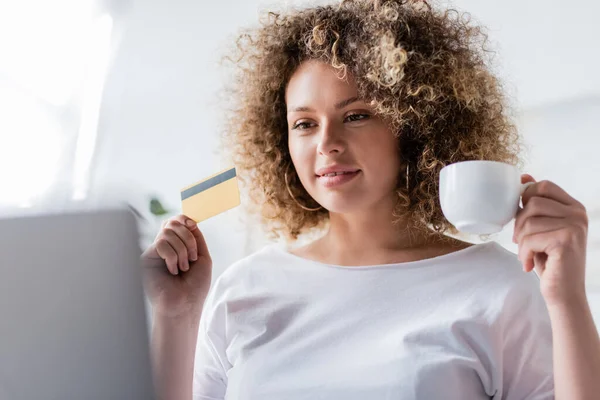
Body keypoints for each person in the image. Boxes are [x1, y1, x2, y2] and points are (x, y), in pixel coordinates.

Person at [141, 0, 600, 399]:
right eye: (304, 123)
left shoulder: (502, 287)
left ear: (416, 125)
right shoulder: (242, 289)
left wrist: (567, 301)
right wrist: (175, 315)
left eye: (356, 115)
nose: (327, 143)